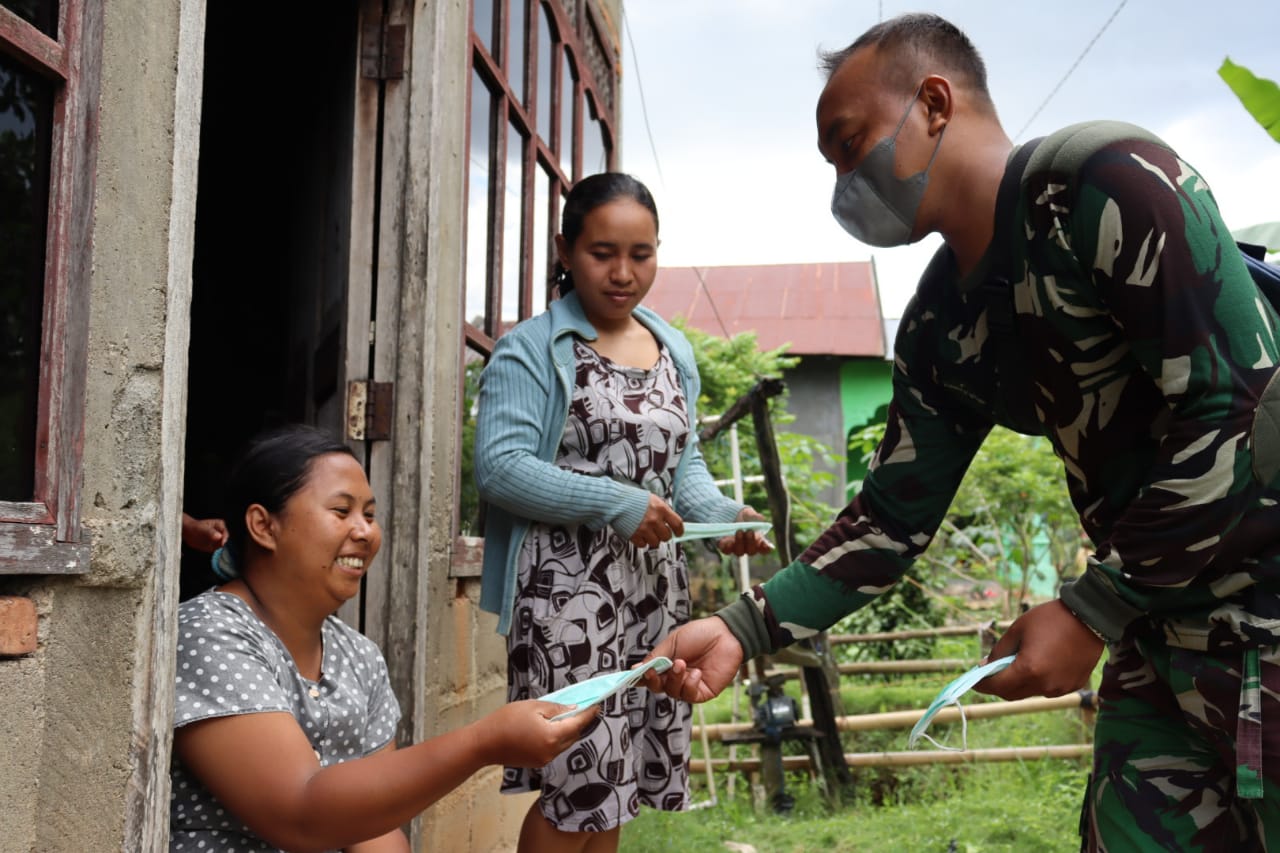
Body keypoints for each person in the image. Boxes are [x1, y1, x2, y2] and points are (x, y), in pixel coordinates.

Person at [643, 13, 1280, 851]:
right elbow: (888, 518)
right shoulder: (941, 325)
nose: (844, 182)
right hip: (1159, 644)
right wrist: (742, 625)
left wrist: (1092, 609)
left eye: (849, 142)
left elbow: (1240, 413)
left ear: (934, 103)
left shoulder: (1105, 181)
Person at [474, 172, 772, 853]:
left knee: (618, 783)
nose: (623, 272)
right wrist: (615, 501)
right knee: (577, 779)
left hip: (651, 594)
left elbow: (680, 460)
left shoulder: (672, 348)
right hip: (565, 597)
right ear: (565, 249)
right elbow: (500, 466)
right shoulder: (532, 349)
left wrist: (724, 516)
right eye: (602, 252)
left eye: (641, 254)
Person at [169, 424, 596, 852]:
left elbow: (372, 827)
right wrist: (483, 743)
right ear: (264, 526)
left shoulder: (358, 656)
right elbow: (300, 813)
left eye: (370, 515)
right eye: (341, 511)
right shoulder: (210, 632)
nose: (365, 532)